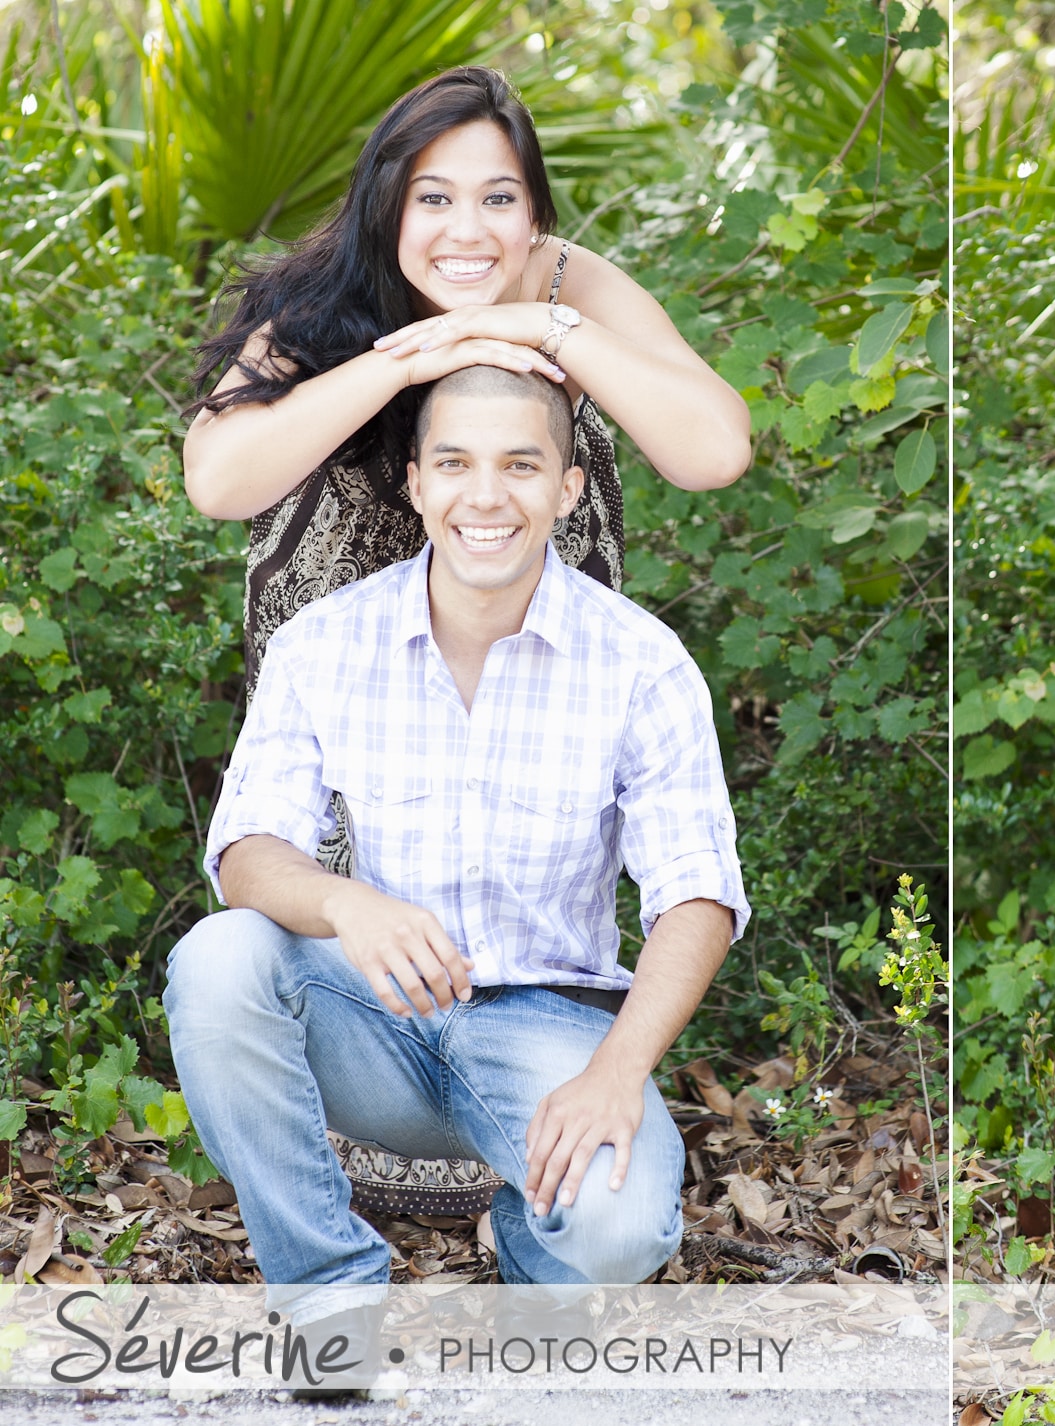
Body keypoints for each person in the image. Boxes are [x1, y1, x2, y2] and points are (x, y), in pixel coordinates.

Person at [181, 64, 751, 1213]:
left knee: (524, 889)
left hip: (534, 600)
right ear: (387, 201)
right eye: (433, 197)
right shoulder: (325, 297)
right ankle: (347, 1196)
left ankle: (534, 1144)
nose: (466, 228)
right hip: (354, 632)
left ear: (536, 210)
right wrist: (411, 356)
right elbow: (222, 478)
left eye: (499, 197)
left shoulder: (569, 281)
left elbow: (711, 448)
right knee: (308, 906)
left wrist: (538, 324)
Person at [164, 367, 749, 1334]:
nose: (487, 496)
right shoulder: (326, 641)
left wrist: (614, 1073)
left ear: (567, 489)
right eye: (456, 464)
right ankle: (326, 1303)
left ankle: (529, 1251)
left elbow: (697, 895)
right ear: (415, 482)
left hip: (549, 1029)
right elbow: (244, 853)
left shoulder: (642, 663)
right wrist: (348, 905)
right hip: (372, 1014)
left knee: (619, 1233)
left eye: (521, 465)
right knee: (219, 959)